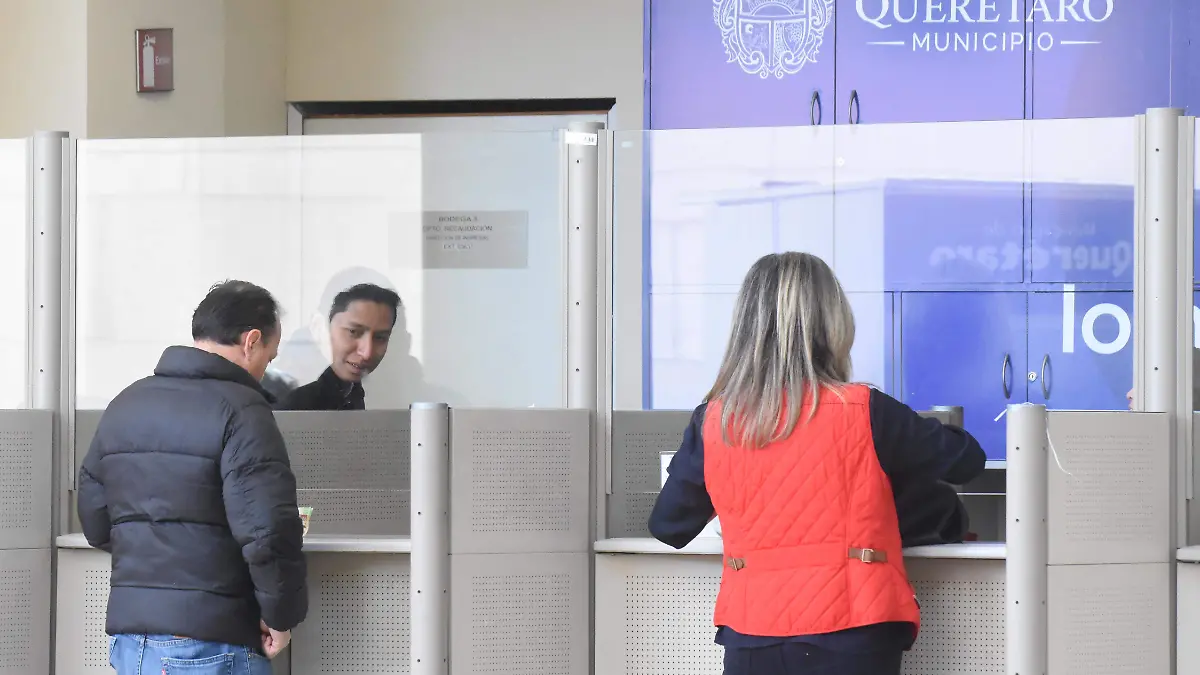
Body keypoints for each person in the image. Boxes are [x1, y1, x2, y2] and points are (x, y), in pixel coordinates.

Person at [649, 252, 985, 675]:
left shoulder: (714, 422)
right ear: (832, 324)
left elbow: (669, 526)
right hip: (854, 634)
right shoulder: (865, 410)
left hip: (751, 636)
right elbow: (966, 460)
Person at [77, 280, 307, 674]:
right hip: (211, 643)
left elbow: (96, 521)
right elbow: (267, 531)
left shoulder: (126, 403)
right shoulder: (242, 410)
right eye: (269, 358)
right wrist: (280, 616)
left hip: (132, 644)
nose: (264, 371)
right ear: (251, 341)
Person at [275, 282, 401, 410]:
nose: (367, 353)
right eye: (353, 332)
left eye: (380, 337)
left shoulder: (352, 391)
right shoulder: (294, 402)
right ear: (322, 329)